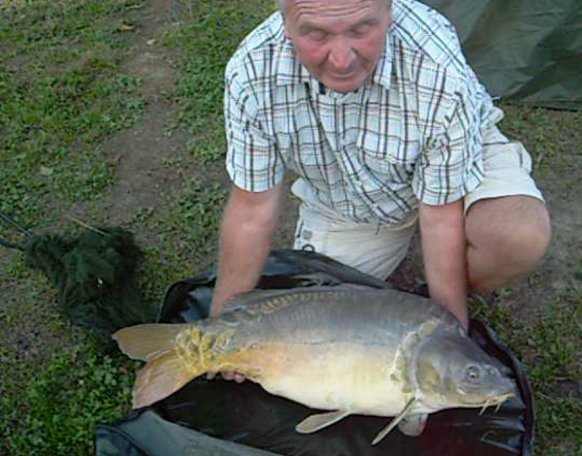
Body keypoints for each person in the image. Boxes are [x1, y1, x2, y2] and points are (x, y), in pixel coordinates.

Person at [210, 0, 551, 336]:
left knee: (516, 236)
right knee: (319, 321)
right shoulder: (252, 72)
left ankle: (423, 301)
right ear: (285, 24)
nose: (341, 60)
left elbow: (441, 215)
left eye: (361, 29)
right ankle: (396, 286)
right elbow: (252, 211)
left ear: (390, 13)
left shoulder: (436, 68)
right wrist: (219, 328)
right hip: (345, 199)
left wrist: (446, 336)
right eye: (316, 34)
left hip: (457, 165)